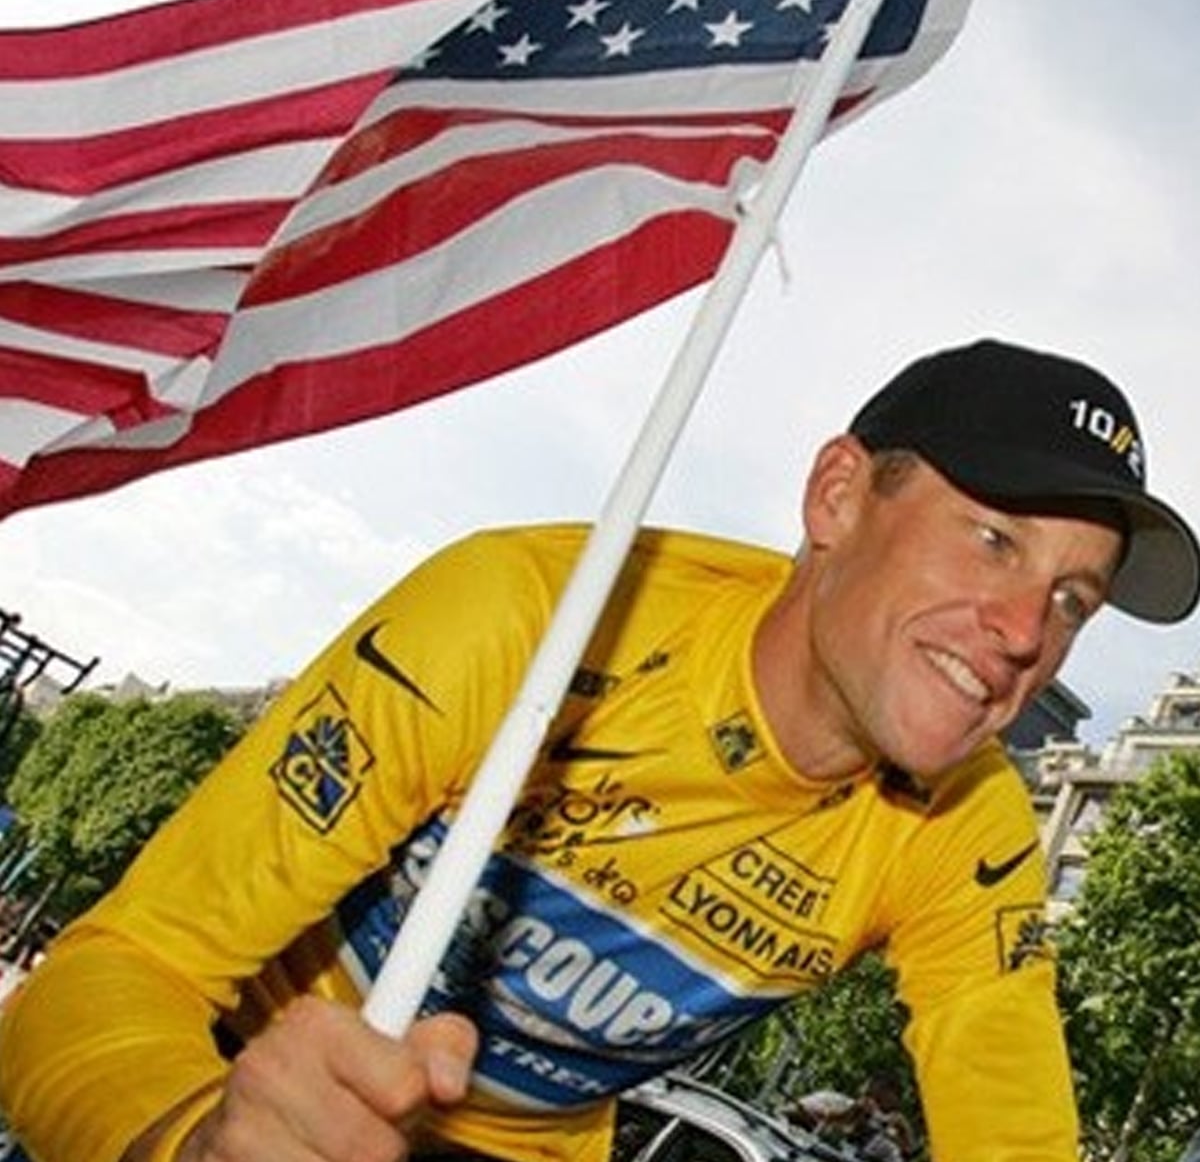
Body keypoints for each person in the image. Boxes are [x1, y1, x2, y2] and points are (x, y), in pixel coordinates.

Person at [1, 339, 1197, 1162]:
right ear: (837, 495)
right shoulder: (526, 612)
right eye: (991, 540)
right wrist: (184, 1138)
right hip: (227, 1083)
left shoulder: (969, 826)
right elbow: (115, 972)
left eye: (1073, 601)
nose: (1024, 635)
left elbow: (1017, 1130)